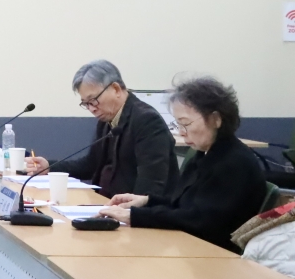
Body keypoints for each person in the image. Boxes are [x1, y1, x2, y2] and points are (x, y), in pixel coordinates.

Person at [99, 77, 266, 253]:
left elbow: (199, 220)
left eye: (185, 124)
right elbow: (184, 205)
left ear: (216, 119)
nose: (181, 132)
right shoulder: (204, 154)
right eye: (178, 124)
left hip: (217, 255)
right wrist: (146, 201)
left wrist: (134, 215)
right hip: (193, 246)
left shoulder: (233, 163)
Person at [26, 60, 178, 198]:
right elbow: (90, 165)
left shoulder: (147, 121)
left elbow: (151, 185)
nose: (92, 109)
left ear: (116, 89)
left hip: (132, 211)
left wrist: (128, 211)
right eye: (86, 104)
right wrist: (49, 167)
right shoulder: (106, 120)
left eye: (93, 100)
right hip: (106, 204)